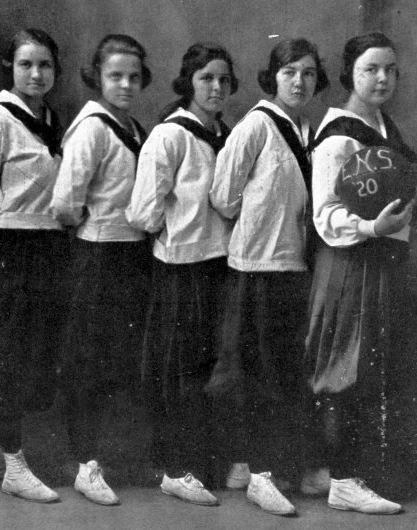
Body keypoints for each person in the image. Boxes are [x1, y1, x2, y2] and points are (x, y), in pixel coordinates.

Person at [207, 38, 329, 516]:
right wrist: (260, 226)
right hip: (256, 267)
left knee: (283, 372)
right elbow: (223, 196)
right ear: (272, 77)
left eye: (308, 74)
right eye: (289, 72)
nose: (299, 82)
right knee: (255, 373)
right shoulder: (256, 125)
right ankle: (258, 472)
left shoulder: (306, 129)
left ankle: (276, 466)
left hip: (293, 267)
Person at [302, 32, 415, 515]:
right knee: (343, 366)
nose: (382, 78)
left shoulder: (384, 126)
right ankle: (342, 479)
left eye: (390, 69)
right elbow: (325, 215)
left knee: (369, 366)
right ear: (350, 73)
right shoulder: (339, 135)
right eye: (371, 69)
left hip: (378, 261)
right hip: (348, 262)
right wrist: (371, 225)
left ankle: (345, 472)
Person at [0, 28, 67, 504]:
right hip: (7, 250)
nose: (36, 74)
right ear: (11, 68)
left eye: (44, 65)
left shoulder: (50, 118)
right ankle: (15, 465)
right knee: (6, 356)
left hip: (45, 249)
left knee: (29, 356)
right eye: (26, 65)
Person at [126, 42, 237, 507]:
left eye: (223, 80)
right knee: (177, 371)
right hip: (179, 268)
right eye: (206, 79)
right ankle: (175, 467)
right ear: (188, 82)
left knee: (209, 368)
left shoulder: (226, 133)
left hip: (219, 263)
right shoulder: (170, 136)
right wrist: (179, 229)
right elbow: (142, 212)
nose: (215, 88)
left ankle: (203, 463)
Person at [50, 33, 151, 506]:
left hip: (132, 256)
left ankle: (112, 457)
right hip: (97, 256)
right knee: (89, 363)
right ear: (98, 77)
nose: (125, 84)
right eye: (115, 76)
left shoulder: (133, 126)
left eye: (133, 77)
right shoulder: (91, 127)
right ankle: (85, 463)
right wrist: (94, 226)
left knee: (120, 363)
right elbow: (65, 203)